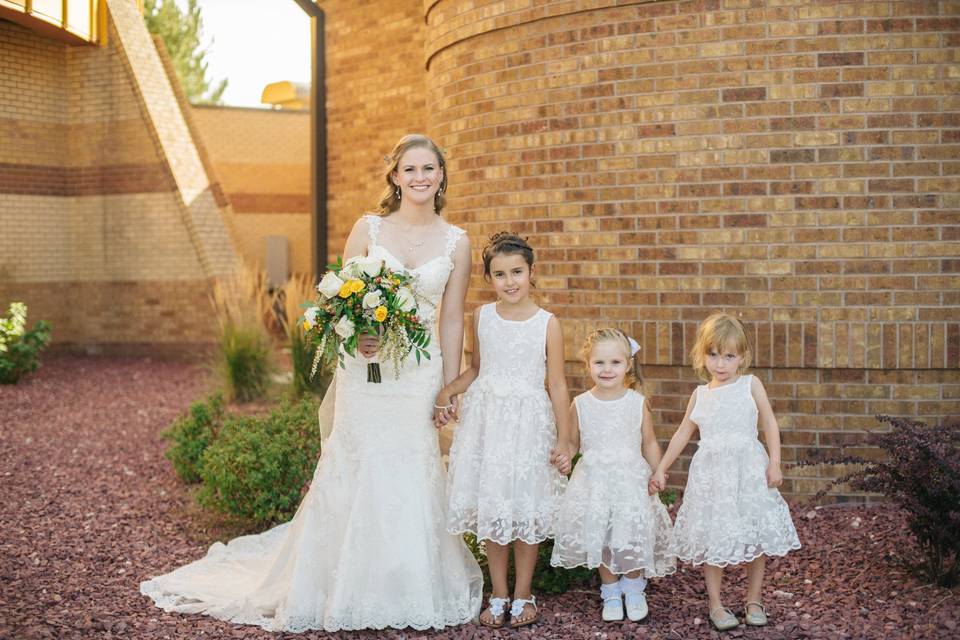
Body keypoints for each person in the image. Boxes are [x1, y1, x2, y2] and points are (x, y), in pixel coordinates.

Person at [140, 134, 483, 632]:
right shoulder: (367, 229)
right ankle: (335, 583)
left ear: (441, 176)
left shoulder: (458, 241)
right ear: (394, 176)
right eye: (409, 170)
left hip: (419, 374)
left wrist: (450, 387)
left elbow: (452, 319)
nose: (419, 178)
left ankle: (406, 583)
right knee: (356, 460)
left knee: (412, 465)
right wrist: (359, 332)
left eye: (428, 169)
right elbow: (342, 301)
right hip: (367, 375)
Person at [435, 232, 570, 629]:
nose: (509, 281)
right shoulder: (483, 317)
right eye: (499, 274)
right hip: (488, 424)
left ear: (531, 272)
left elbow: (558, 384)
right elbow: (477, 369)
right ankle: (498, 592)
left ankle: (524, 592)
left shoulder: (549, 323)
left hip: (529, 424)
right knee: (495, 506)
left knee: (524, 508)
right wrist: (448, 388)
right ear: (489, 278)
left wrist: (563, 439)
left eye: (517, 272)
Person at [649, 312, 800, 632]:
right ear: (702, 355)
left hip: (748, 471)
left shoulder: (750, 385)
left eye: (729, 356)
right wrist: (662, 467)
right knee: (713, 536)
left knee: (755, 535)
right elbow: (681, 434)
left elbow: (769, 422)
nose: (720, 363)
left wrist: (775, 461)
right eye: (713, 354)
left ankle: (754, 598)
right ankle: (716, 604)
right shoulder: (700, 395)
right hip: (713, 475)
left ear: (742, 357)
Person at [550, 328, 676, 623]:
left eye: (615, 363)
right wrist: (565, 456)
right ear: (588, 364)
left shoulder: (636, 402)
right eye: (600, 363)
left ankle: (633, 588)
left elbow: (648, 441)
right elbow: (571, 441)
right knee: (602, 533)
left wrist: (658, 470)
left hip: (630, 478)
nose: (607, 370)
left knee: (630, 531)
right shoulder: (580, 403)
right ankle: (609, 590)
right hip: (594, 480)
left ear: (628, 364)